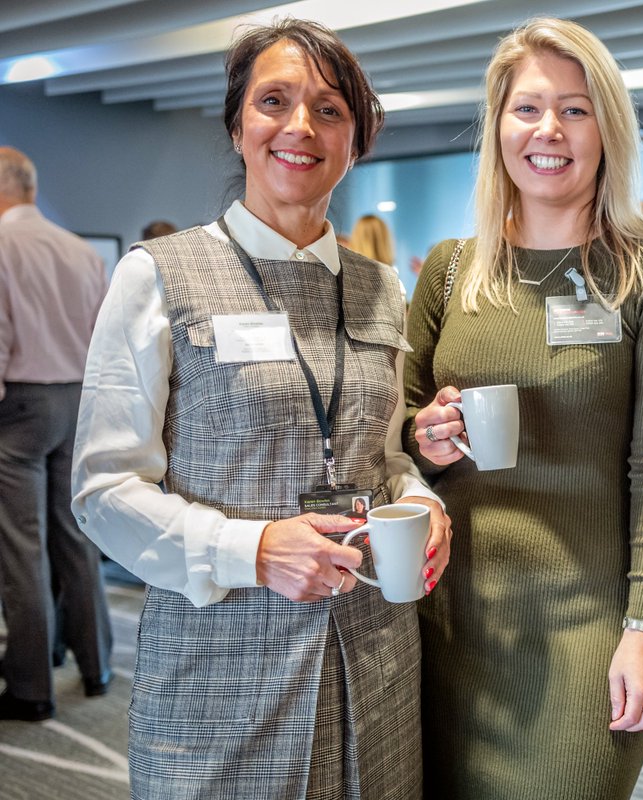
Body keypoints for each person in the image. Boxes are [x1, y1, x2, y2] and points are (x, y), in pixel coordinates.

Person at [71, 19, 450, 799]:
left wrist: (419, 500)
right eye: (273, 101)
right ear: (238, 126)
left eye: (330, 109)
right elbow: (103, 492)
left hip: (374, 657)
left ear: (356, 140)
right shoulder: (156, 277)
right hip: (219, 670)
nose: (300, 127)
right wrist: (252, 549)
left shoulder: (382, 288)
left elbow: (381, 453)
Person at [402, 17, 643, 800]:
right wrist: (422, 437)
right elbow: (394, 424)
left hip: (589, 629)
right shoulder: (451, 270)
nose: (550, 130)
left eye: (576, 110)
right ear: (498, 126)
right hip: (447, 623)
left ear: (607, 127)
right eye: (528, 109)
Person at [0, 146, 112, 721]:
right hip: (78, 399)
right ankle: (96, 667)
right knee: (75, 535)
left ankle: (29, 687)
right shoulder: (80, 251)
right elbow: (102, 337)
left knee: (21, 547)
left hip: (18, 406)